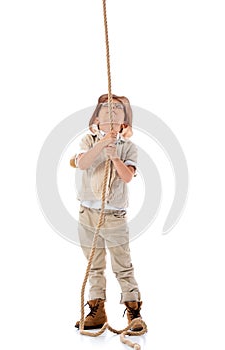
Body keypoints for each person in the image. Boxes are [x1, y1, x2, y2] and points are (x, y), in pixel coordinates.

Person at [70, 94, 143, 331]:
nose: (111, 109)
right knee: (94, 264)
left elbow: (127, 176)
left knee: (123, 264)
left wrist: (114, 157)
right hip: (88, 212)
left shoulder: (128, 147)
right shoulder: (87, 141)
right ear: (96, 118)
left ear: (124, 122)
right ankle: (97, 309)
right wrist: (102, 145)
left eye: (118, 109)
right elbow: (82, 164)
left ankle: (134, 312)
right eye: (105, 108)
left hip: (114, 216)